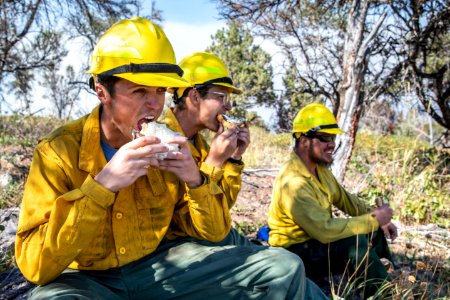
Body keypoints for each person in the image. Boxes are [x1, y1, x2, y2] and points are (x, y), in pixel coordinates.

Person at [15, 17, 323, 299]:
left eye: (160, 90)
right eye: (138, 91)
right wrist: (103, 185)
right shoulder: (58, 151)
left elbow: (213, 233)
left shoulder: (177, 145)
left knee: (283, 266)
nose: (153, 105)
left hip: (158, 266)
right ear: (102, 92)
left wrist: (197, 178)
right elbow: (35, 267)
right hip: (86, 279)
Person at [267, 103, 398, 299]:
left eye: (333, 138)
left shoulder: (320, 170)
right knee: (353, 241)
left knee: (372, 228)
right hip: (293, 254)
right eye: (325, 138)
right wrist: (373, 219)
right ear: (304, 140)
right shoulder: (294, 183)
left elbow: (348, 201)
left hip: (315, 245)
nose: (332, 144)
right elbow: (324, 230)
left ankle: (386, 277)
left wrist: (379, 219)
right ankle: (383, 295)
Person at [162, 51, 252, 246]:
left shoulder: (201, 146)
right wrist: (213, 164)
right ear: (194, 96)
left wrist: (234, 158)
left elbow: (221, 208)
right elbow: (192, 224)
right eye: (221, 97)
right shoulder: (162, 142)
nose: (228, 107)